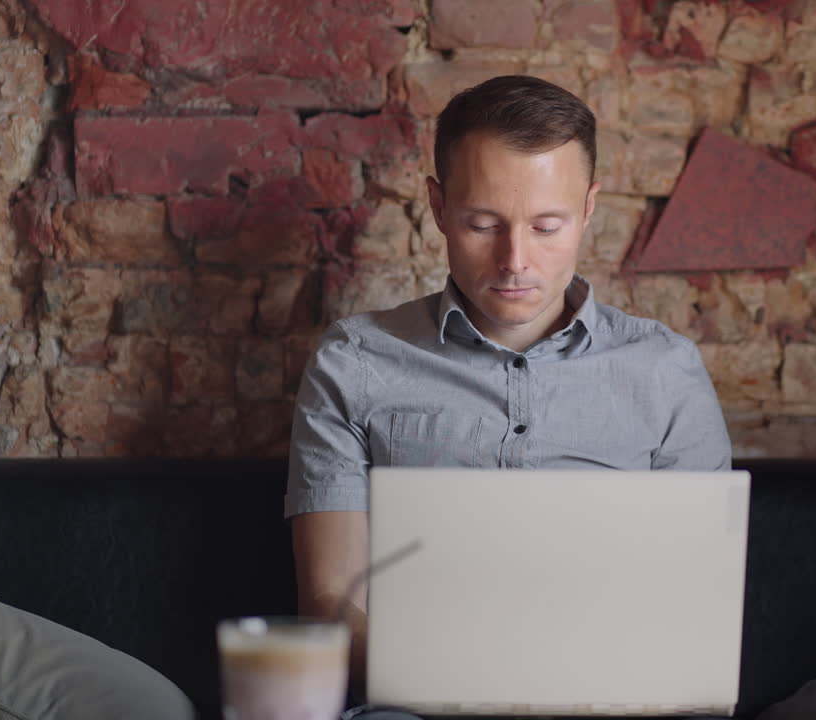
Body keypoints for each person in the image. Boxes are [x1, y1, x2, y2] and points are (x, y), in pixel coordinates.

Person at [285, 75, 732, 718]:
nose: (515, 259)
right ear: (438, 207)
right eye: (482, 223)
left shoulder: (666, 372)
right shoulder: (353, 363)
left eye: (547, 226)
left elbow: (693, 611)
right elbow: (330, 603)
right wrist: (462, 686)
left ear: (589, 209)